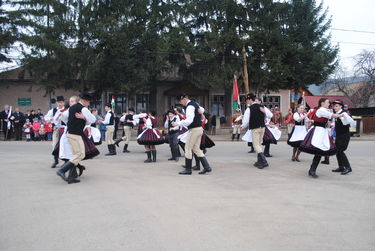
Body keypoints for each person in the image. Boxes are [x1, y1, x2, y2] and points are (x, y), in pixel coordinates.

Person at [56, 93, 96, 184]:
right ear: (85, 101)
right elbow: (93, 120)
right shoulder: (83, 109)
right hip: (75, 134)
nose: (88, 104)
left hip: (70, 133)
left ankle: (71, 177)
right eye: (88, 102)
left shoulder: (72, 108)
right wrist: (84, 117)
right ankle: (62, 170)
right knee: (80, 154)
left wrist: (83, 118)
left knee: (75, 155)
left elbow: (65, 119)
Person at [299, 98, 342, 178]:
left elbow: (327, 121)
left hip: (323, 132)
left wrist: (328, 124)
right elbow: (333, 115)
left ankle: (312, 169)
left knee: (320, 151)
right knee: (319, 150)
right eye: (327, 102)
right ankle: (312, 170)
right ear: (322, 103)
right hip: (318, 132)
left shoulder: (324, 110)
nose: (329, 104)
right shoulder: (321, 110)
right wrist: (342, 114)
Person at [172, 93, 212, 175]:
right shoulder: (195, 103)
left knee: (187, 148)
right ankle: (207, 167)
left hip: (194, 129)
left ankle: (188, 169)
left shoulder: (189, 106)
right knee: (196, 149)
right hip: (199, 129)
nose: (180, 103)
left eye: (180, 100)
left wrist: (178, 123)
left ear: (184, 98)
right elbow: (202, 110)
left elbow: (189, 120)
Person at [241, 93, 268, 169]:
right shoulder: (262, 106)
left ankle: (263, 161)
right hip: (262, 127)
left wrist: (243, 127)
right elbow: (270, 115)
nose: (246, 102)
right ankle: (259, 161)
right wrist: (264, 112)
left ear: (250, 100)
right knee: (259, 145)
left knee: (256, 145)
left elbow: (246, 121)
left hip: (255, 128)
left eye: (247, 100)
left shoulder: (249, 109)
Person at [332, 100, 355, 175]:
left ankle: (348, 167)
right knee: (337, 151)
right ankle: (341, 167)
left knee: (340, 151)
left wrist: (343, 118)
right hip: (339, 135)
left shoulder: (344, 113)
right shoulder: (336, 114)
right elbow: (336, 124)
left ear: (341, 106)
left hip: (344, 135)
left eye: (336, 106)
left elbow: (350, 121)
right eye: (334, 106)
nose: (334, 107)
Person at [44, 96, 65, 168]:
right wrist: (52, 118)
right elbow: (46, 118)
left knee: (65, 146)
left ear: (63, 103)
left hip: (64, 129)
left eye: (61, 102)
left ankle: (66, 162)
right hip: (56, 129)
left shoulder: (66, 110)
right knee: (55, 145)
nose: (60, 104)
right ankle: (55, 160)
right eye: (58, 102)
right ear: (56, 103)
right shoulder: (53, 110)